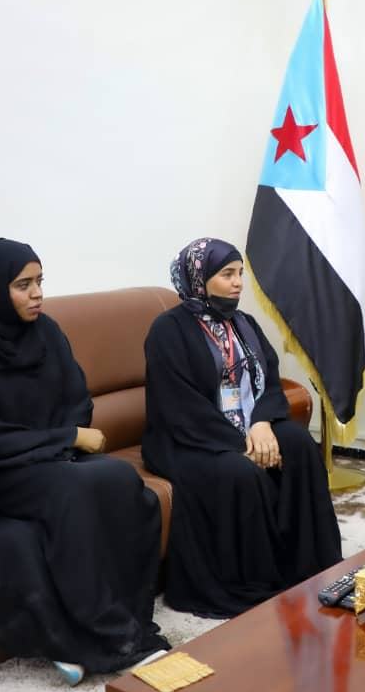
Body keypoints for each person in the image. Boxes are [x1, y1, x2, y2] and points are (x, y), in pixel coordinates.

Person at [0, 238, 169, 686]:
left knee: (122, 481)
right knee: (78, 488)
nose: (37, 294)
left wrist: (61, 444)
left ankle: (121, 621)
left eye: (39, 281)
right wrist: (65, 438)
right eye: (22, 285)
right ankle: (113, 636)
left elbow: (77, 399)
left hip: (51, 460)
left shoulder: (45, 331)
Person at [142, 237, 342, 618]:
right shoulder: (167, 331)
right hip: (187, 438)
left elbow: (270, 379)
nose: (237, 283)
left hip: (247, 425)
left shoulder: (243, 323)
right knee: (240, 471)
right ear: (199, 280)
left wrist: (262, 422)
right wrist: (241, 441)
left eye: (239, 274)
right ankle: (254, 583)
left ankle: (309, 566)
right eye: (227, 274)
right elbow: (180, 407)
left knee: (299, 445)